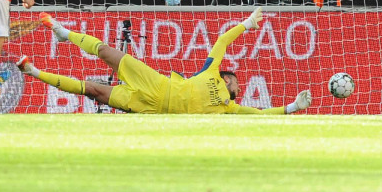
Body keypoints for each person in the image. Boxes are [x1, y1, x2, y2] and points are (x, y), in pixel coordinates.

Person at [18, 10, 313, 115]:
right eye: (236, 80)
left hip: (152, 107)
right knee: (107, 52)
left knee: (93, 91)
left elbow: (260, 114)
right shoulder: (211, 70)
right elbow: (222, 41)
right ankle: (64, 32)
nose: (240, 84)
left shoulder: (229, 108)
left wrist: (292, 108)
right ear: (226, 77)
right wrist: (247, 24)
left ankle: (32, 71)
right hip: (156, 83)